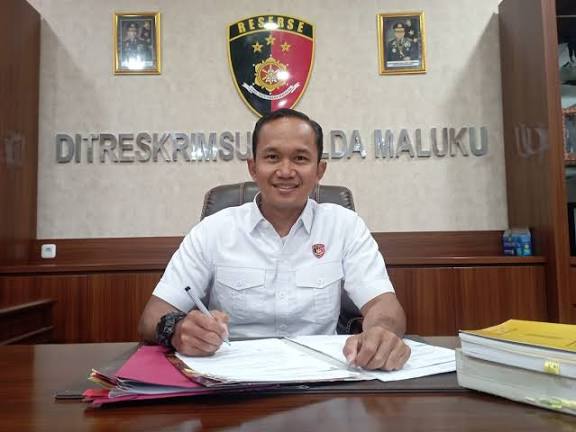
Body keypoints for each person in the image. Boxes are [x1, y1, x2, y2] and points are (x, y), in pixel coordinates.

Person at [138, 109, 410, 371]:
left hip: (322, 378)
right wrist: (177, 329)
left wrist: (381, 332)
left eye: (300, 158)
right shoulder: (213, 231)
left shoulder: (345, 226)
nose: (286, 171)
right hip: (233, 381)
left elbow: (384, 305)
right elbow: (152, 316)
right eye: (272, 157)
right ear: (253, 167)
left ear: (320, 170)